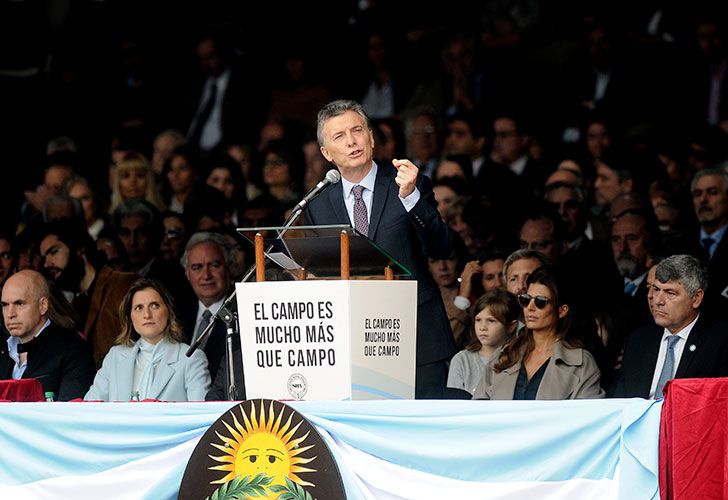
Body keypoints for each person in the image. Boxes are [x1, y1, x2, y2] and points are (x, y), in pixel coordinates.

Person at [304, 99, 457, 398]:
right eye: (339, 137)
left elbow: (442, 248)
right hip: (355, 344)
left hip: (417, 338)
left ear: (371, 137)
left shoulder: (408, 183)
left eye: (357, 131)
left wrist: (411, 197)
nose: (351, 142)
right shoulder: (319, 204)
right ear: (326, 153)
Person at [472, 265, 605, 400]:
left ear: (561, 311)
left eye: (540, 302)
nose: (530, 307)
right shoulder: (504, 355)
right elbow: (478, 409)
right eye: (526, 299)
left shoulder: (582, 363)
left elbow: (587, 417)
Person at [609, 255, 728, 399]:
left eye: (670, 293)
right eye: (656, 289)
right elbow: (619, 399)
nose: (658, 300)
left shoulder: (720, 341)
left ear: (696, 298)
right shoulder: (637, 341)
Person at [84, 278, 210, 401]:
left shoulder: (191, 358)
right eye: (139, 308)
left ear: (169, 311)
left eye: (155, 305)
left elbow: (201, 414)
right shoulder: (114, 357)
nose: (147, 315)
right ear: (130, 318)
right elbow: (90, 408)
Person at [39, 218, 140, 366]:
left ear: (79, 247)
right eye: (44, 258)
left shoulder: (122, 284)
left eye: (53, 252)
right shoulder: (74, 305)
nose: (47, 263)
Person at [0, 270, 96, 401]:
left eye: (19, 303)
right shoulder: (2, 349)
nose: (10, 314)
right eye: (5, 305)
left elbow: (71, 414)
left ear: (43, 306)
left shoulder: (74, 350)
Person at [447, 290, 519, 395]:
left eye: (491, 321)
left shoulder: (519, 359)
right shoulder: (462, 360)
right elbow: (454, 402)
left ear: (511, 326)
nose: (482, 327)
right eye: (478, 320)